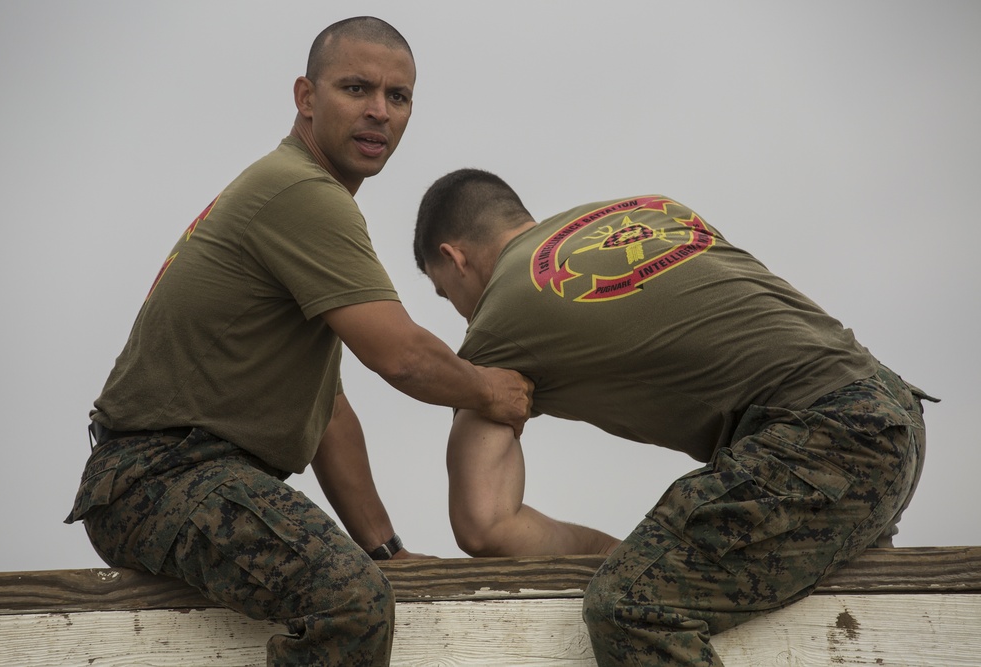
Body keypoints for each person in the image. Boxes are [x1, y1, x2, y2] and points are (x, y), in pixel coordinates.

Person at [66, 20, 532, 667]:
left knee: (364, 580)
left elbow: (327, 411)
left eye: (398, 97)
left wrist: (386, 549)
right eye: (356, 87)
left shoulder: (306, 198)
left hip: (187, 475)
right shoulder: (302, 193)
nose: (379, 110)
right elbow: (402, 354)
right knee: (349, 599)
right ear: (306, 98)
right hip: (160, 475)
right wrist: (494, 390)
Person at [413, 168, 935, 666]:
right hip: (890, 411)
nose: (459, 311)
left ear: (454, 258)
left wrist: (607, 552)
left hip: (822, 442)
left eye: (445, 293)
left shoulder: (496, 325)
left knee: (631, 605)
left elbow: (484, 525)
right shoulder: (651, 211)